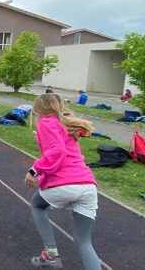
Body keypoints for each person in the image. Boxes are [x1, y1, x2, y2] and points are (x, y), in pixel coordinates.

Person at [25, 93, 100, 270]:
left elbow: (57, 151)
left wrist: (34, 170)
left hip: (63, 184)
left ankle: (51, 255)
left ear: (37, 111)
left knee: (37, 204)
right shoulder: (63, 123)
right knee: (83, 241)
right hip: (87, 186)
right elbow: (60, 144)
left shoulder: (45, 122)